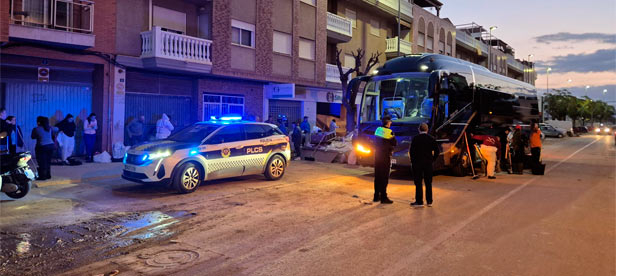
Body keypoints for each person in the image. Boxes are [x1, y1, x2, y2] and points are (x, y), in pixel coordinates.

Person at [409, 123, 440, 207]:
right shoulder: (431, 139)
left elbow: (411, 152)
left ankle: (419, 201)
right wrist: (432, 160)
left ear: (419, 129)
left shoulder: (415, 139)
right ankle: (429, 201)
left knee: (418, 182)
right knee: (428, 182)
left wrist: (413, 161)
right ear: (427, 129)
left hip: (417, 164)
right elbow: (437, 152)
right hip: (428, 164)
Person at [373, 116, 397, 204]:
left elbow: (375, 141)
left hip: (377, 156)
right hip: (385, 157)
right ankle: (384, 197)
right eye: (390, 122)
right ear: (388, 122)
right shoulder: (390, 132)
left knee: (378, 176)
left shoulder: (378, 130)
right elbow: (394, 143)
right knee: (384, 177)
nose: (391, 123)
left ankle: (376, 196)